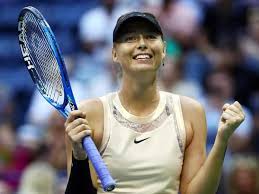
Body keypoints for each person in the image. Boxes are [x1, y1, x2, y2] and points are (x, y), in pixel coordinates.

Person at [64, 11, 245, 194]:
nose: (142, 44)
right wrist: (79, 157)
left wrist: (222, 140)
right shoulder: (88, 114)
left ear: (164, 49)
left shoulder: (191, 112)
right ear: (114, 54)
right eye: (130, 38)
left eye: (150, 37)